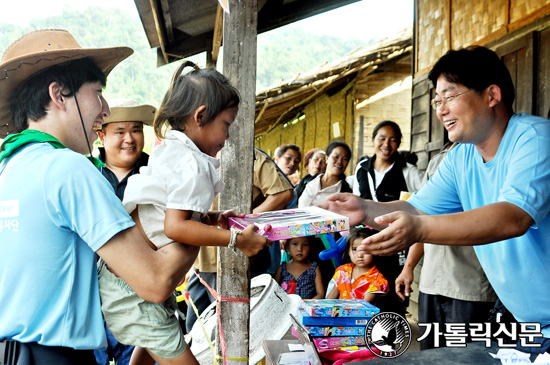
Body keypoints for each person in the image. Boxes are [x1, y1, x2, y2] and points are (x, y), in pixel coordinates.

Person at [320, 46, 550, 353]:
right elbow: (415, 207)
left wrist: (419, 229)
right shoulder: (461, 158)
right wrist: (363, 209)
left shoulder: (535, 138)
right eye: (436, 100)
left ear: (491, 95)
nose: (440, 110)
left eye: (450, 96)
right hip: (526, 322)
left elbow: (513, 216)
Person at [0, 29, 198, 364]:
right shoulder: (69, 168)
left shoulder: (9, 167)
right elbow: (154, 282)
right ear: (59, 94)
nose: (104, 109)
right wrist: (196, 226)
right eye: (97, 93)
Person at [98, 62, 270, 365]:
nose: (227, 137)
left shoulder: (172, 150)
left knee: (154, 345)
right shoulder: (192, 164)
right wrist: (235, 241)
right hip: (135, 287)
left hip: (129, 280)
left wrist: (211, 216)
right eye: (227, 125)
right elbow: (176, 226)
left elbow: (172, 208)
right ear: (201, 116)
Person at [395, 142, 497, 350]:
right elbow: (422, 217)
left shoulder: (492, 159)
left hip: (469, 282)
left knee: (464, 354)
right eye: (439, 106)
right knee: (430, 353)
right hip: (432, 281)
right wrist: (408, 267)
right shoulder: (439, 160)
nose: (444, 111)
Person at [184, 147, 293, 333]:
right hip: (199, 261)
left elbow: (282, 193)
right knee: (195, 329)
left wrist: (245, 223)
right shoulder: (192, 153)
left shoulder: (248, 153)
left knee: (230, 331)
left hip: (236, 260)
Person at [93, 100, 155, 364]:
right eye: (120, 131)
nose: (129, 139)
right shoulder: (86, 174)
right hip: (89, 298)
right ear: (101, 135)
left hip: (139, 296)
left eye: (137, 130)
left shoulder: (156, 175)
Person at [349, 120, 423, 316]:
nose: (386, 145)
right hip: (367, 242)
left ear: (398, 144)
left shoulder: (408, 171)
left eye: (393, 140)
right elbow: (357, 203)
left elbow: (425, 202)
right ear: (373, 140)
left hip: (395, 242)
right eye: (381, 139)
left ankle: (392, 333)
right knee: (365, 289)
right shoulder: (362, 169)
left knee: (392, 289)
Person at [326, 226, 388, 303]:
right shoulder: (342, 271)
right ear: (348, 251)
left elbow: (363, 307)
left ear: (374, 250)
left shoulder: (377, 280)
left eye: (364, 249)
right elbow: (329, 301)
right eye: (354, 249)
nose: (359, 255)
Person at [298, 141, 352, 208]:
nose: (340, 161)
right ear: (327, 158)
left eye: (345, 159)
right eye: (336, 157)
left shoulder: (345, 191)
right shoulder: (308, 180)